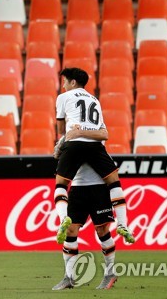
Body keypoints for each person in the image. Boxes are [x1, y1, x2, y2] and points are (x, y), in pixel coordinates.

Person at [53, 68, 134, 245]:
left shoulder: (63, 97)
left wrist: (66, 139)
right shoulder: (95, 100)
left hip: (74, 144)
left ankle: (62, 219)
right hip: (95, 145)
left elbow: (60, 131)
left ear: (72, 82)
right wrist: (85, 131)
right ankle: (123, 223)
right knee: (114, 181)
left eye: (65, 81)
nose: (64, 85)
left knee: (60, 184)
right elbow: (104, 134)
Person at [52, 163, 119, 291]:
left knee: (102, 230)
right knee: (70, 230)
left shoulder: (97, 143)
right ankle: (69, 276)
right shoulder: (70, 143)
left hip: (99, 187)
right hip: (77, 187)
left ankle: (110, 272)